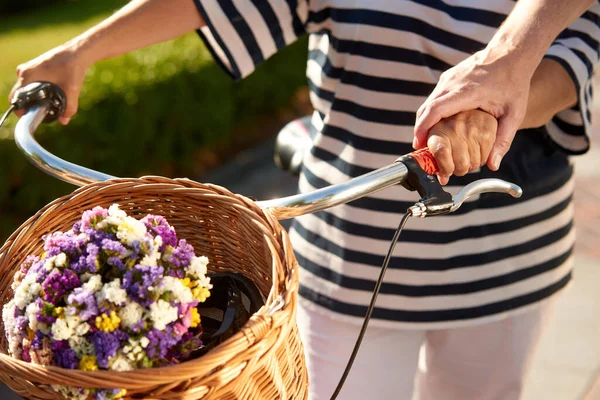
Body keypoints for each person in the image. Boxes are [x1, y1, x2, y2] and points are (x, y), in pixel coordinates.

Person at [9, 1, 599, 399]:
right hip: (346, 253)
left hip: (501, 259)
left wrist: (491, 102)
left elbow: (574, 58)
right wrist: (81, 51)